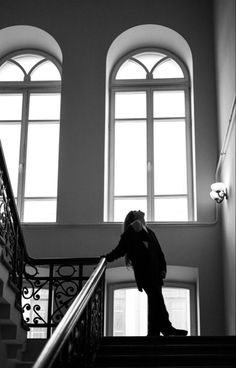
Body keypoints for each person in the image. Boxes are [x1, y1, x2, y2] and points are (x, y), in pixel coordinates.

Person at [105, 210, 188, 337]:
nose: (140, 210)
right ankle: (166, 328)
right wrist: (107, 258)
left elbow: (159, 253)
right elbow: (121, 248)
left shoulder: (150, 232)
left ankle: (154, 332)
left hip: (155, 272)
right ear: (134, 217)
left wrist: (163, 268)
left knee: (155, 300)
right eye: (136, 211)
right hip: (146, 273)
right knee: (157, 300)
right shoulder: (134, 228)